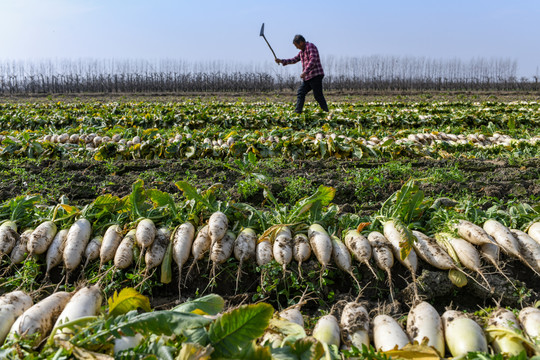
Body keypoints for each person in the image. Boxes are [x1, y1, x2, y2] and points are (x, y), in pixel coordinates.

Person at [276, 35, 329, 114]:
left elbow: (313, 60)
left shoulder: (310, 46)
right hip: (308, 77)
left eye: (296, 45)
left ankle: (326, 112)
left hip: (315, 75)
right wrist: (281, 61)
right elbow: (294, 60)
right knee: (301, 92)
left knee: (318, 95)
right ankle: (297, 112)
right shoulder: (301, 52)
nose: (296, 47)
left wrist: (305, 72)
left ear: (301, 42)